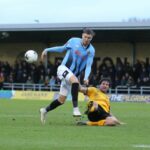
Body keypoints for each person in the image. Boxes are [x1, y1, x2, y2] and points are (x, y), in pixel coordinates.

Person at [40, 28, 95, 124]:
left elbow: (89, 65)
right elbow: (61, 48)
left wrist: (86, 77)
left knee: (61, 100)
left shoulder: (91, 50)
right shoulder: (73, 41)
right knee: (75, 81)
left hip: (72, 76)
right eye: (85, 37)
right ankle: (76, 108)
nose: (86, 39)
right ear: (82, 35)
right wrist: (47, 49)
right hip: (63, 69)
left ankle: (44, 110)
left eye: (89, 38)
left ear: (91, 38)